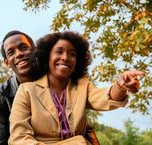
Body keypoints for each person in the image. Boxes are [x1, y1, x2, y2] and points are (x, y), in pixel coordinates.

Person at [8, 31, 144, 145]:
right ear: (47, 57)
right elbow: (19, 139)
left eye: (72, 54)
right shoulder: (27, 90)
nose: (65, 58)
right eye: (59, 52)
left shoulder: (82, 85)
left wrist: (120, 85)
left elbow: (104, 98)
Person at [0, 30, 36, 145]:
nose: (18, 54)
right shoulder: (0, 95)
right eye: (11, 53)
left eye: (23, 47)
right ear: (7, 63)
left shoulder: (55, 82)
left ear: (35, 51)